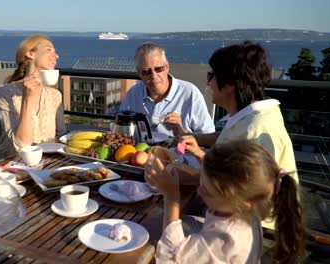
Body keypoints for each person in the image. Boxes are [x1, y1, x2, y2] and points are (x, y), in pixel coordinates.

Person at [146, 140, 306, 263]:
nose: (199, 191)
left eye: (207, 190)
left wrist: (172, 198)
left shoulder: (226, 241)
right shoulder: (249, 207)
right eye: (202, 181)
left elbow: (169, 258)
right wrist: (200, 155)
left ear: (238, 201)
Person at [176, 41, 298, 186]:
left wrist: (185, 178)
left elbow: (239, 190)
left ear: (229, 84)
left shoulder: (255, 130)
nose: (208, 83)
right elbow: (230, 166)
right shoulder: (252, 116)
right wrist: (197, 149)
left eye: (211, 76)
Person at [119, 42, 214, 137]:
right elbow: (121, 129)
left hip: (177, 151)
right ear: (139, 73)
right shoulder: (134, 93)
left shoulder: (189, 93)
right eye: (146, 72)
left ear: (167, 67)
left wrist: (182, 130)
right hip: (140, 150)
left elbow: (208, 136)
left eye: (158, 69)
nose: (153, 76)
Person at [0, 35, 66, 160]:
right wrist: (27, 98)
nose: (56, 56)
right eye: (49, 50)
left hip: (48, 162)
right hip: (13, 164)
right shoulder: (5, 94)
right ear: (30, 54)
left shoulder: (55, 95)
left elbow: (61, 136)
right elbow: (21, 147)